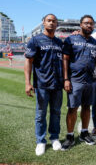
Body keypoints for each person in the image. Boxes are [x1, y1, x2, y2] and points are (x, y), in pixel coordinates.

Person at [62, 15, 96, 150]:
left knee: (87, 107)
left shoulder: (95, 43)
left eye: (91, 24)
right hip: (75, 80)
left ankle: (84, 133)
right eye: (86, 23)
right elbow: (65, 60)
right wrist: (66, 79)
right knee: (72, 108)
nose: (89, 26)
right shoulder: (71, 39)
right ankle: (69, 136)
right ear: (80, 24)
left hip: (90, 81)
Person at [24, 14, 63, 156]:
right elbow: (28, 61)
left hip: (57, 84)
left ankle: (54, 138)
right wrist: (28, 83)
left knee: (56, 113)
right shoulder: (35, 40)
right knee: (40, 114)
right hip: (41, 84)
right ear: (43, 23)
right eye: (49, 21)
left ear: (57, 24)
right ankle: (40, 141)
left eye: (54, 21)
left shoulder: (60, 43)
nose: (51, 23)